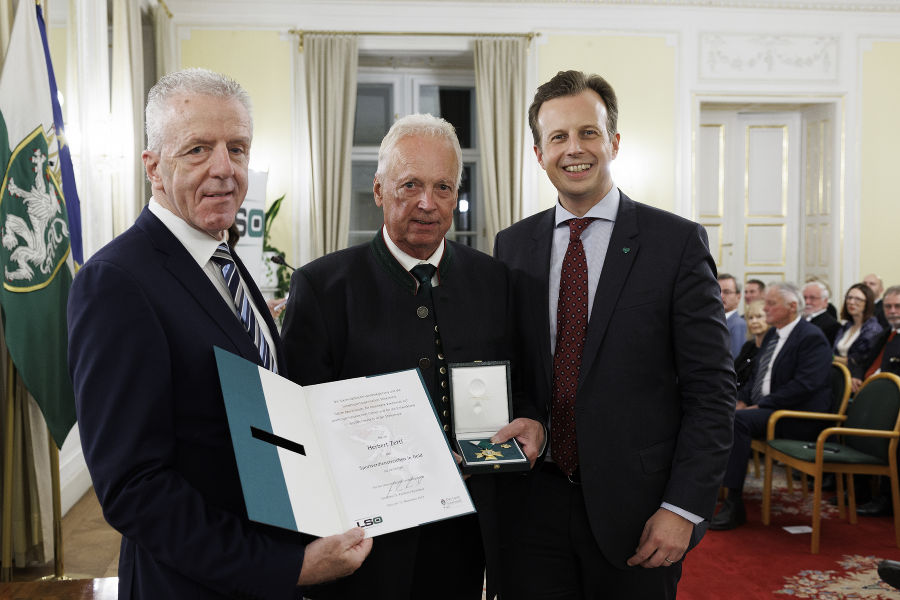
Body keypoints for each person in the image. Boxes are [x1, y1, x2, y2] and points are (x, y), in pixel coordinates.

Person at [67, 68, 371, 599]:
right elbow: (135, 489)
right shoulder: (116, 282)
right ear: (153, 168)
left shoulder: (223, 258)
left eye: (238, 148)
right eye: (198, 149)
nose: (225, 170)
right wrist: (287, 568)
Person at [280, 113, 544, 600]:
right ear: (379, 189)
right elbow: (299, 427)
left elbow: (523, 387)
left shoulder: (495, 281)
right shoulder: (323, 287)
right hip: (367, 543)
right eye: (410, 185)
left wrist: (533, 425)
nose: (427, 203)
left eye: (443, 187)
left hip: (469, 531)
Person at [493, 70, 735, 599]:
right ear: (539, 154)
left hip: (640, 512)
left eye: (588, 132)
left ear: (614, 142)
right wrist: (528, 412)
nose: (573, 149)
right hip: (531, 506)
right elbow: (514, 366)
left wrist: (682, 509)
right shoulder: (512, 247)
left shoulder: (675, 243)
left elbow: (712, 393)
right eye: (557, 137)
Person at [710, 282, 832, 531]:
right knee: (722, 412)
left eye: (771, 304)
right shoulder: (774, 336)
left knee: (738, 421)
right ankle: (711, 490)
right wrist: (742, 399)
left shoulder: (811, 338)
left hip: (797, 417)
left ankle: (734, 503)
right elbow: (756, 377)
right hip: (770, 410)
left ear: (792, 307)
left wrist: (761, 405)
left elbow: (805, 386)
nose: (765, 309)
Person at [833, 283, 883, 371]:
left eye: (858, 299)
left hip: (855, 378)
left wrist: (831, 358)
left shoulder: (873, 329)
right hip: (837, 373)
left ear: (867, 303)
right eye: (849, 298)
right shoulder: (846, 326)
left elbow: (859, 361)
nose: (851, 302)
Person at [734, 299, 769, 392]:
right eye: (750, 318)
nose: (754, 321)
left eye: (759, 316)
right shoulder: (748, 346)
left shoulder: (772, 347)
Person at [802, 281, 841, 345]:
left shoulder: (832, 326)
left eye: (812, 298)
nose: (807, 302)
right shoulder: (798, 319)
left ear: (825, 301)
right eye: (804, 298)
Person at [719, 273, 746, 358]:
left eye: (726, 292)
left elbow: (735, 359)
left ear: (738, 297)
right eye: (717, 291)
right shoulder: (717, 321)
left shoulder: (738, 324)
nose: (721, 296)